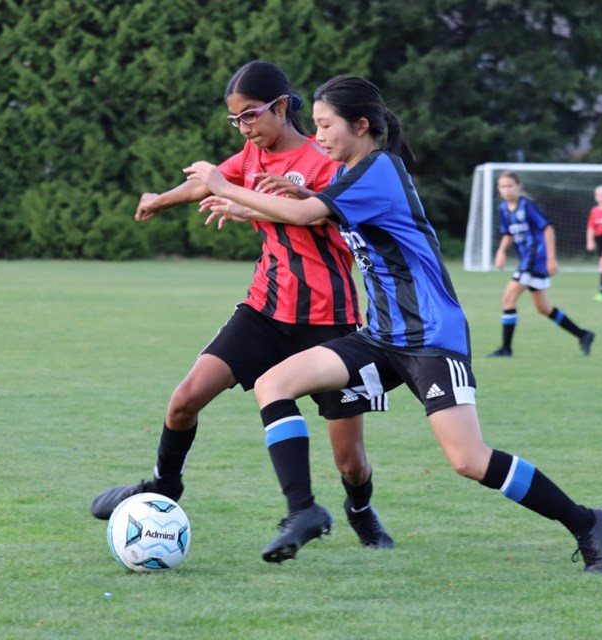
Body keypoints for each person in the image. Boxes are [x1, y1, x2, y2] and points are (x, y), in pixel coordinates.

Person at [186, 75, 602, 572]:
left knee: (468, 460)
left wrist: (224, 185)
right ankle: (303, 511)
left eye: (327, 126)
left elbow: (307, 214)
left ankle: (586, 521)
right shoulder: (354, 173)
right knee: (274, 383)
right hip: (381, 336)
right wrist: (253, 204)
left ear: (361, 125)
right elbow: (317, 211)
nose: (319, 135)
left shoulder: (379, 170)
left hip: (431, 337)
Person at [90, 61, 395, 551]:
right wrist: (159, 199)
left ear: (280, 106)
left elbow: (323, 218)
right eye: (236, 121)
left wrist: (248, 204)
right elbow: (206, 183)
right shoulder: (249, 157)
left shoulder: (331, 158)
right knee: (185, 399)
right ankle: (164, 488)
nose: (245, 129)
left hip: (329, 321)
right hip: (264, 311)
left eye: (250, 116)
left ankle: (359, 510)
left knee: (350, 460)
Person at [486, 171, 595, 358]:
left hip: (535, 259)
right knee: (544, 308)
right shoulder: (503, 209)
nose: (506, 190)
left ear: (518, 186)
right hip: (526, 260)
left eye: (510, 185)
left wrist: (551, 258)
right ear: (498, 189)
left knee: (508, 299)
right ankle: (583, 334)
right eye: (503, 186)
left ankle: (506, 348)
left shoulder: (527, 206)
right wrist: (501, 252)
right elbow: (508, 233)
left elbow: (547, 228)